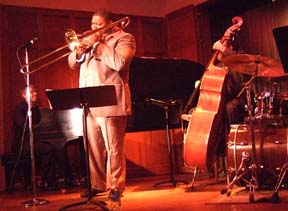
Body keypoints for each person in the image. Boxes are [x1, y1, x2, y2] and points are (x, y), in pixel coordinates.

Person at [68, 8, 136, 200]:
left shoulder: (125, 38)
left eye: (99, 24)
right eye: (92, 24)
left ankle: (116, 185)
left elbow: (120, 62)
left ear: (110, 24)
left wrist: (97, 44)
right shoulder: (88, 41)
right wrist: (80, 49)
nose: (94, 28)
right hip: (88, 101)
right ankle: (97, 185)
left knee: (114, 147)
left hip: (110, 100)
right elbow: (72, 63)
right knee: (93, 147)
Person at [11, 84, 58, 191]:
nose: (35, 94)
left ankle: (47, 182)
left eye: (35, 91)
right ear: (24, 95)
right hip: (23, 144)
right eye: (32, 92)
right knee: (48, 149)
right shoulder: (19, 109)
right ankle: (47, 181)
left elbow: (39, 126)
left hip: (34, 141)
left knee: (50, 148)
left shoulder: (36, 109)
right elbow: (24, 127)